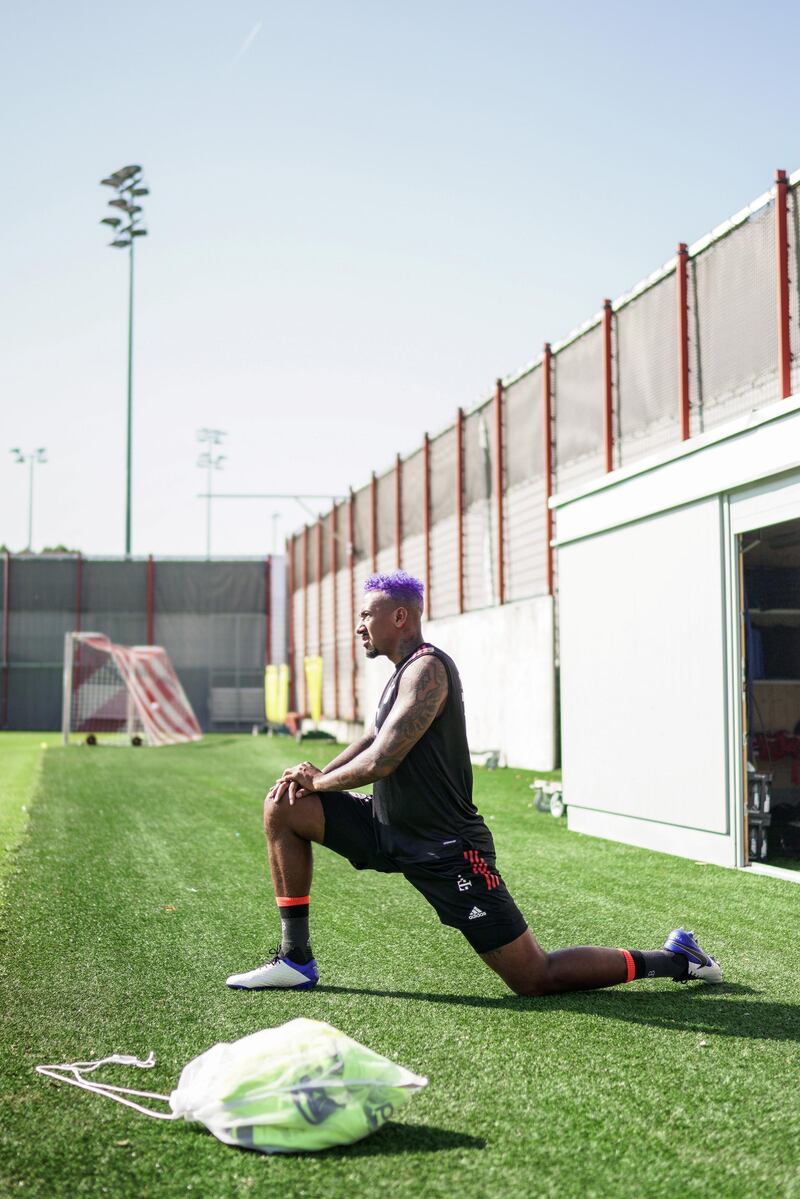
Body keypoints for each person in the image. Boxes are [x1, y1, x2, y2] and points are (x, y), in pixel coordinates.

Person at [227, 571, 722, 995]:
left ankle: (677, 959)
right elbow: (370, 738)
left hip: (446, 849)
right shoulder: (400, 673)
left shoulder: (428, 670)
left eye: (365, 615)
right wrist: (311, 779)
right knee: (284, 804)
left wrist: (323, 784)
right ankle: (295, 960)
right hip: (387, 830)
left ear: (399, 616)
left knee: (535, 978)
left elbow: (384, 758)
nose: (358, 626)